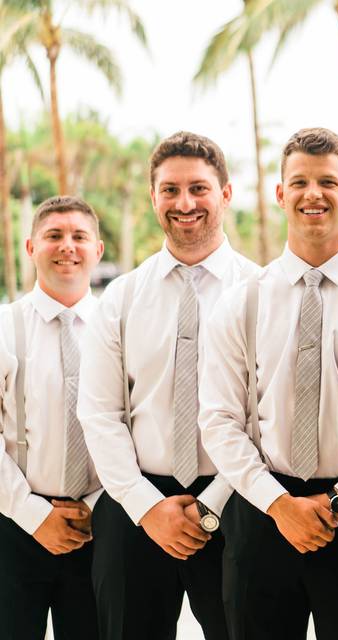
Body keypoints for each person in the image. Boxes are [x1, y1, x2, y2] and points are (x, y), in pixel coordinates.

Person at [198, 127, 338, 640]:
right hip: (261, 518)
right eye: (300, 182)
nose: (314, 194)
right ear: (280, 193)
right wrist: (279, 505)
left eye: (329, 182)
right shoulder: (242, 303)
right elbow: (219, 421)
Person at [77, 131, 258, 640]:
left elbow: (265, 415)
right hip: (134, 509)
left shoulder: (261, 292)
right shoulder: (121, 296)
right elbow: (99, 413)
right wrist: (146, 506)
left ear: (225, 194)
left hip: (238, 502)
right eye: (170, 190)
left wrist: (214, 503)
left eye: (199, 188)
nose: (185, 203)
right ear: (153, 197)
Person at [0, 196, 104, 640]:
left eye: (79, 236)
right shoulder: (5, 325)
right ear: (30, 247)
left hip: (100, 528)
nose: (68, 247)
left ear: (97, 249)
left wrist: (99, 508)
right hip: (13, 524)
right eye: (54, 236)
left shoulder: (116, 326)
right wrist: (32, 513)